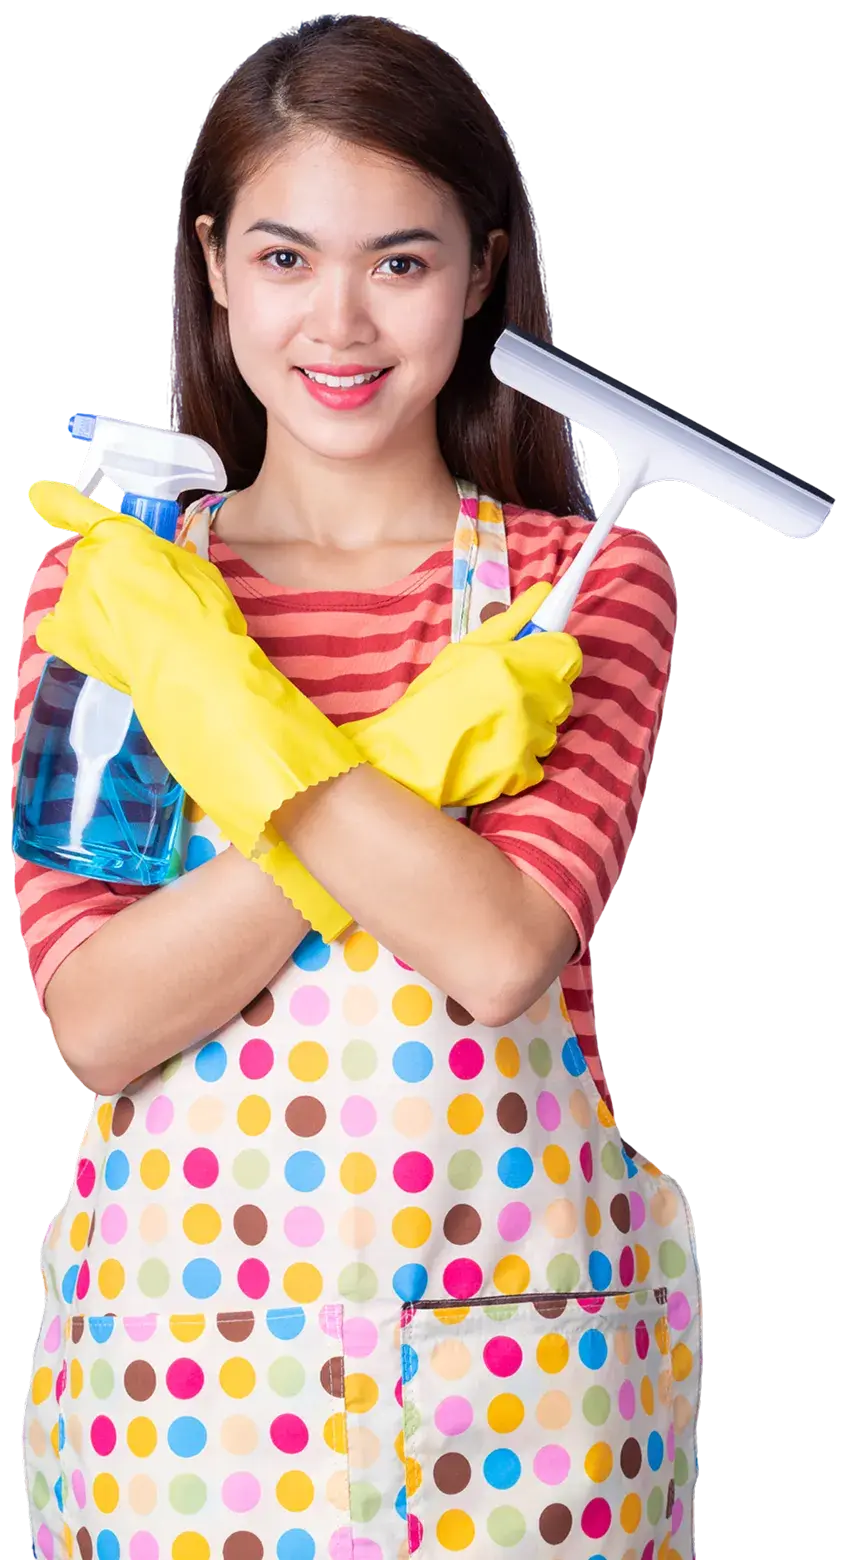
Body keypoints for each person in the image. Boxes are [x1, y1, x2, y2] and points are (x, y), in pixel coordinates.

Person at [17, 16, 699, 1559]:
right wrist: (365, 753)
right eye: (283, 258)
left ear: (480, 272)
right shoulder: (112, 601)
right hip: (179, 1385)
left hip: (513, 1387)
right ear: (211, 264)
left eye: (399, 261)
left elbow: (499, 948)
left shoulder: (582, 585)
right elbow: (103, 1020)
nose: (340, 320)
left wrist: (242, 734)